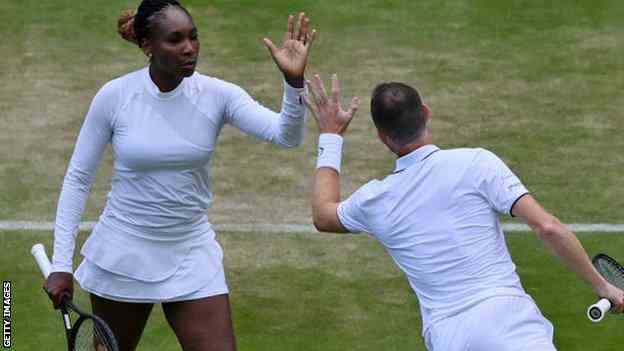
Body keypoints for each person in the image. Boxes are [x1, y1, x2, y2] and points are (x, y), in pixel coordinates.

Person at [43, 1, 316, 350]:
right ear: (148, 45)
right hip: (123, 253)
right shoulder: (115, 97)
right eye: (175, 40)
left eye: (193, 37)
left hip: (190, 253)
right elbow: (78, 179)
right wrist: (61, 264)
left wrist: (294, 82)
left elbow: (286, 136)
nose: (189, 48)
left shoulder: (219, 95)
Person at [303, 74, 624, 350]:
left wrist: (331, 135)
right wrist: (602, 286)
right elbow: (547, 228)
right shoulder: (477, 162)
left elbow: (323, 214)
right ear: (426, 113)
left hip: (450, 338)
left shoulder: (374, 200)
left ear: (382, 137)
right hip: (510, 322)